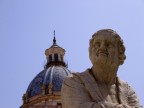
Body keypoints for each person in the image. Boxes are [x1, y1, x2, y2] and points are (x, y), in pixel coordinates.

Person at [61, 29, 142, 108]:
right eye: (97, 44)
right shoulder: (73, 81)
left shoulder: (128, 91)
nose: (102, 47)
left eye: (109, 44)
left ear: (120, 55)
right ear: (90, 52)